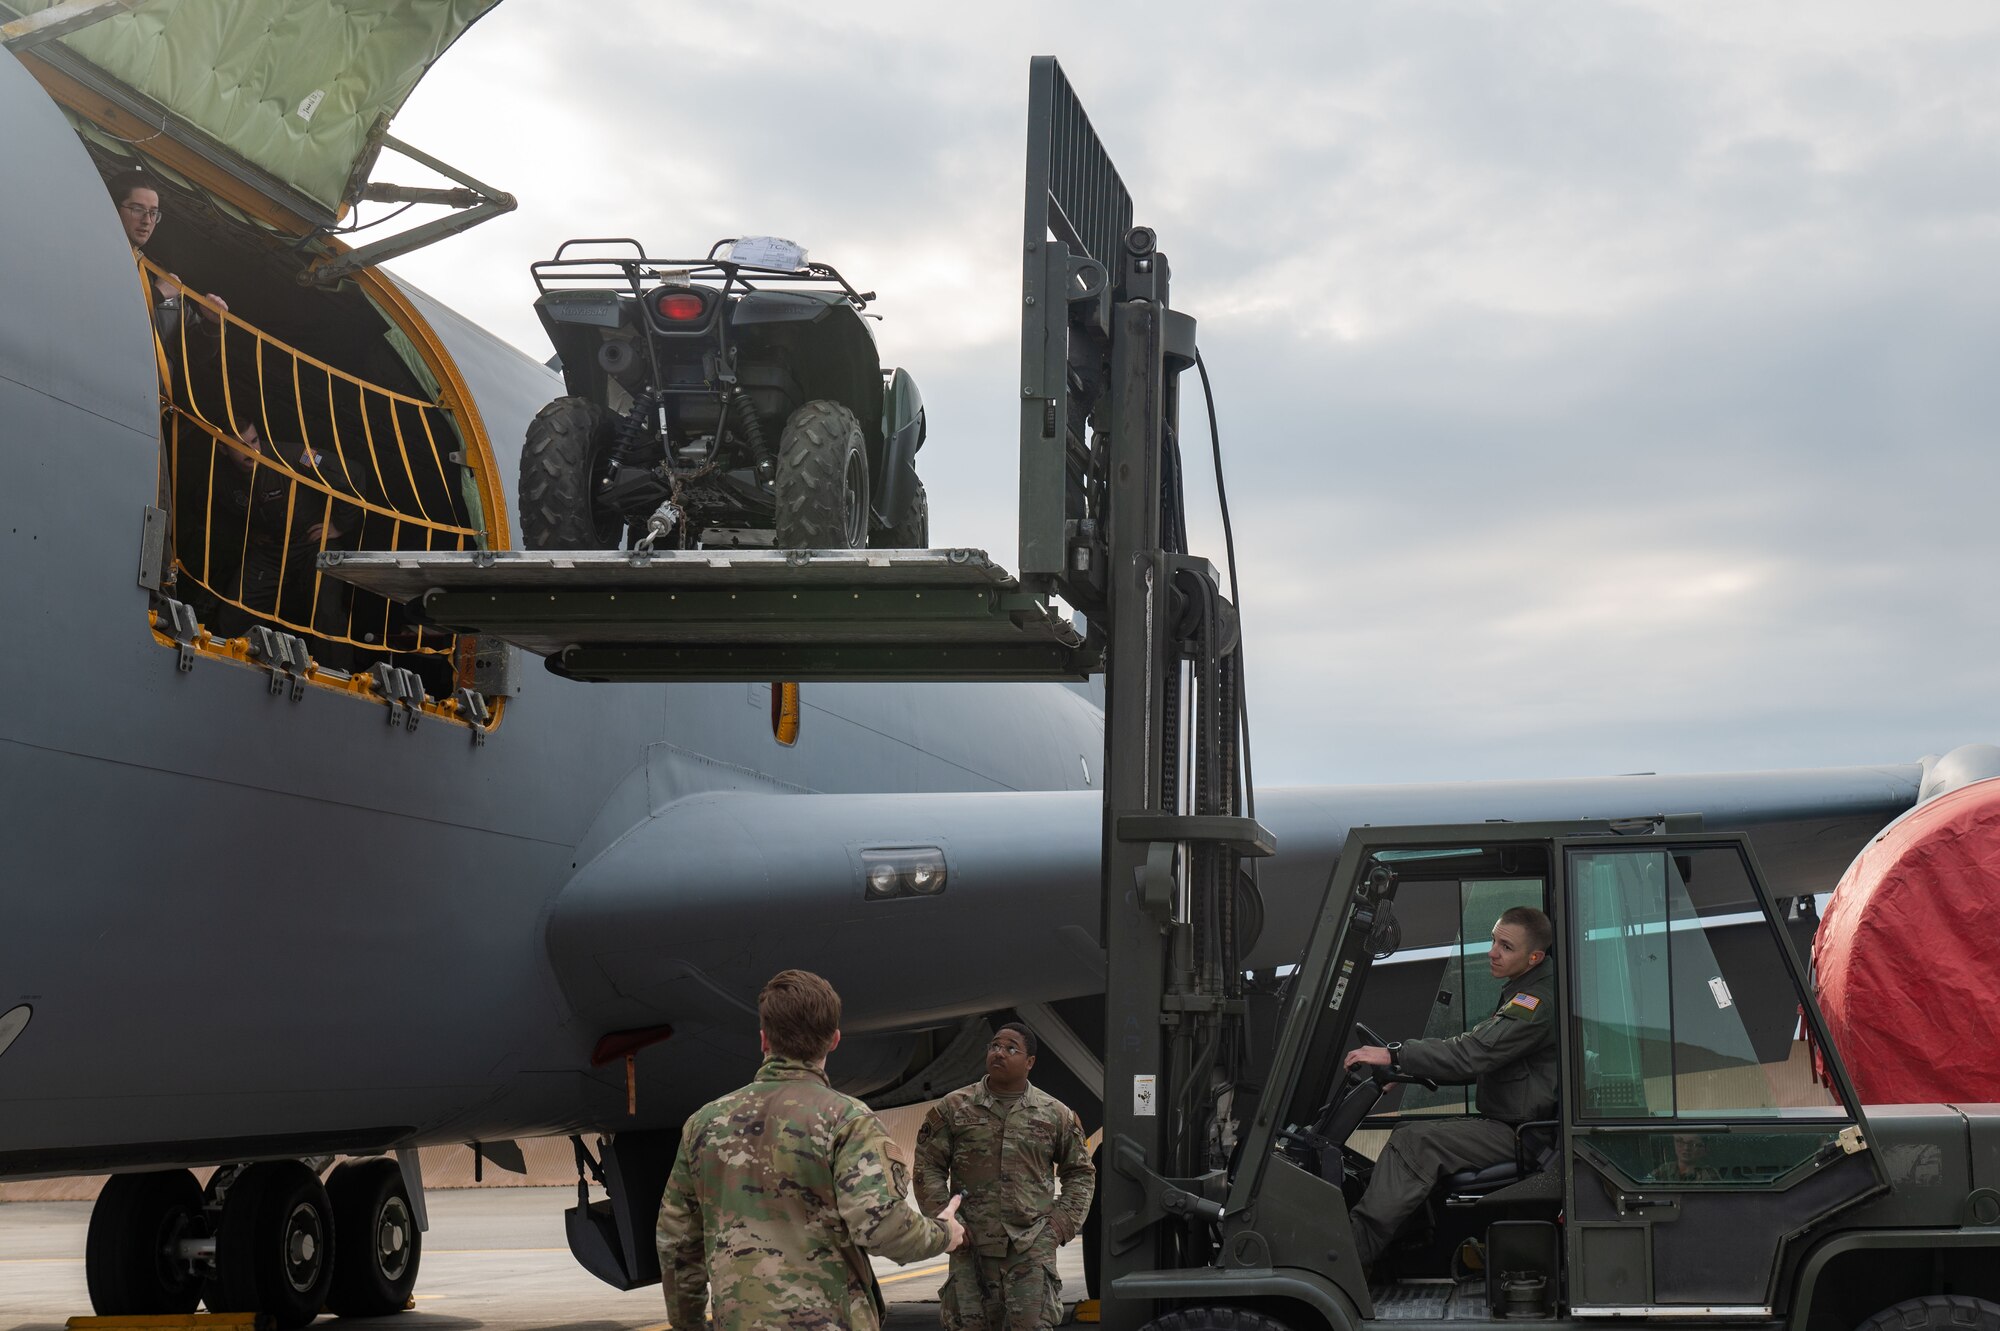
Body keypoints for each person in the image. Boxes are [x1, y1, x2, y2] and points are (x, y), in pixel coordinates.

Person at [655, 969, 965, 1330]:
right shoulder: (847, 1120)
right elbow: (881, 1226)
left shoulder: (704, 1123)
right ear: (834, 1040)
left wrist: (689, 1323)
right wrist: (944, 1234)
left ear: (763, 1039)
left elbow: (676, 1242)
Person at [1340, 905, 1557, 1272]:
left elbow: (1472, 1054)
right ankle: (1394, 1246)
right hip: (1511, 1125)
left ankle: (1345, 1257)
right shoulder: (1525, 990)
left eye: (1505, 946)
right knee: (1411, 1135)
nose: (1491, 952)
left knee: (1413, 1143)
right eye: (1493, 940)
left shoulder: (1535, 1003)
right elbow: (1483, 1058)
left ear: (1534, 957)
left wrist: (1397, 1055)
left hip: (1523, 1135)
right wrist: (1404, 1066)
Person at [915, 1021, 1096, 1330]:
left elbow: (1080, 1173)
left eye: (1011, 1048)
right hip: (969, 1248)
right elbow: (927, 1166)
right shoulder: (954, 1108)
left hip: (1029, 1251)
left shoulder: (1055, 1114)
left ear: (1030, 1063)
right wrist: (946, 1220)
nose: (999, 1053)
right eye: (995, 1046)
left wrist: (1057, 1227)